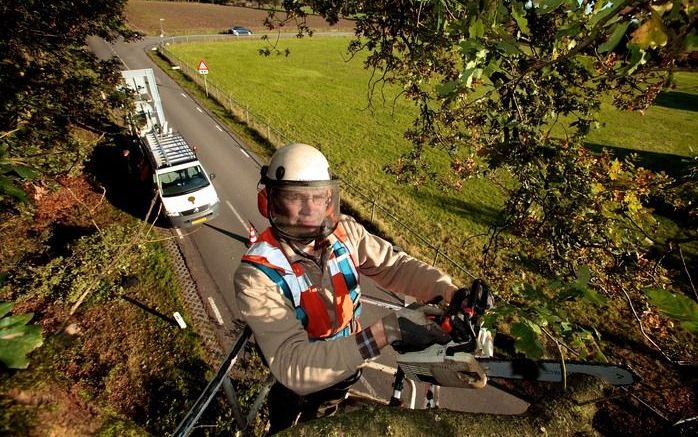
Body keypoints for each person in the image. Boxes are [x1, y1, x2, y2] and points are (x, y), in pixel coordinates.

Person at [233, 143, 461, 434]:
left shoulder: (345, 233)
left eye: (318, 197)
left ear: (330, 198)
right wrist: (388, 331)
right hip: (300, 382)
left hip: (348, 365)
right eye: (295, 197)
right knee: (288, 424)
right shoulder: (257, 275)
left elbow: (395, 267)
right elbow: (292, 364)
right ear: (269, 202)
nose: (310, 209)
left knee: (328, 413)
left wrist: (447, 290)